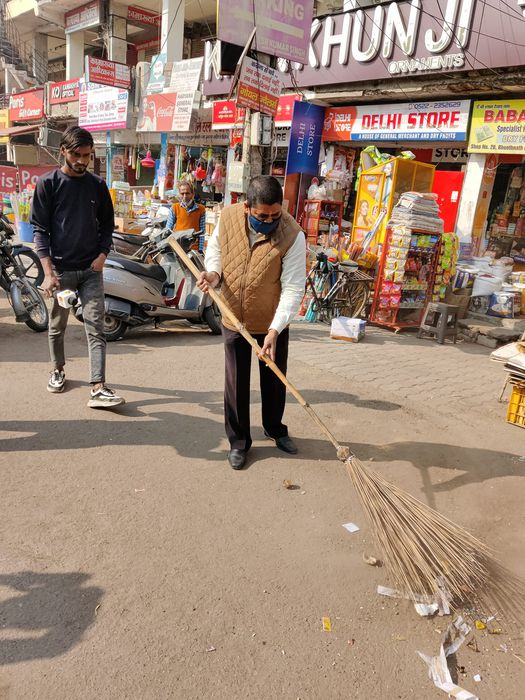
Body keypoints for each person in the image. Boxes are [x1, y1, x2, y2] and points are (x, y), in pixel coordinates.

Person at [197, 175, 306, 470]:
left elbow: (294, 286)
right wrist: (213, 275)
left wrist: (275, 329)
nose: (269, 221)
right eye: (262, 216)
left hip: (271, 319)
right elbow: (215, 251)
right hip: (233, 315)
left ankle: (274, 428)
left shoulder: (293, 234)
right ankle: (238, 441)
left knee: (273, 379)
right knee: (235, 382)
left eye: (275, 215)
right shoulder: (229, 217)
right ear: (247, 207)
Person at [31, 126, 124, 408]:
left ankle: (98, 385)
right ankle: (58, 370)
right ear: (63, 151)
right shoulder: (48, 184)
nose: (82, 160)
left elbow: (107, 223)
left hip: (91, 270)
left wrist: (103, 254)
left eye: (87, 155)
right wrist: (48, 273)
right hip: (60, 271)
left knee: (95, 326)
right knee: (57, 326)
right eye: (77, 154)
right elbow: (39, 229)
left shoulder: (96, 185)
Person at [166, 180, 206, 251]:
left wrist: (200, 250)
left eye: (187, 193)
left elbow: (202, 232)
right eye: (182, 193)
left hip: (194, 249)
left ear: (193, 194)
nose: (185, 196)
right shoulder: (174, 208)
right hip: (178, 248)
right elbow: (168, 229)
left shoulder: (201, 209)